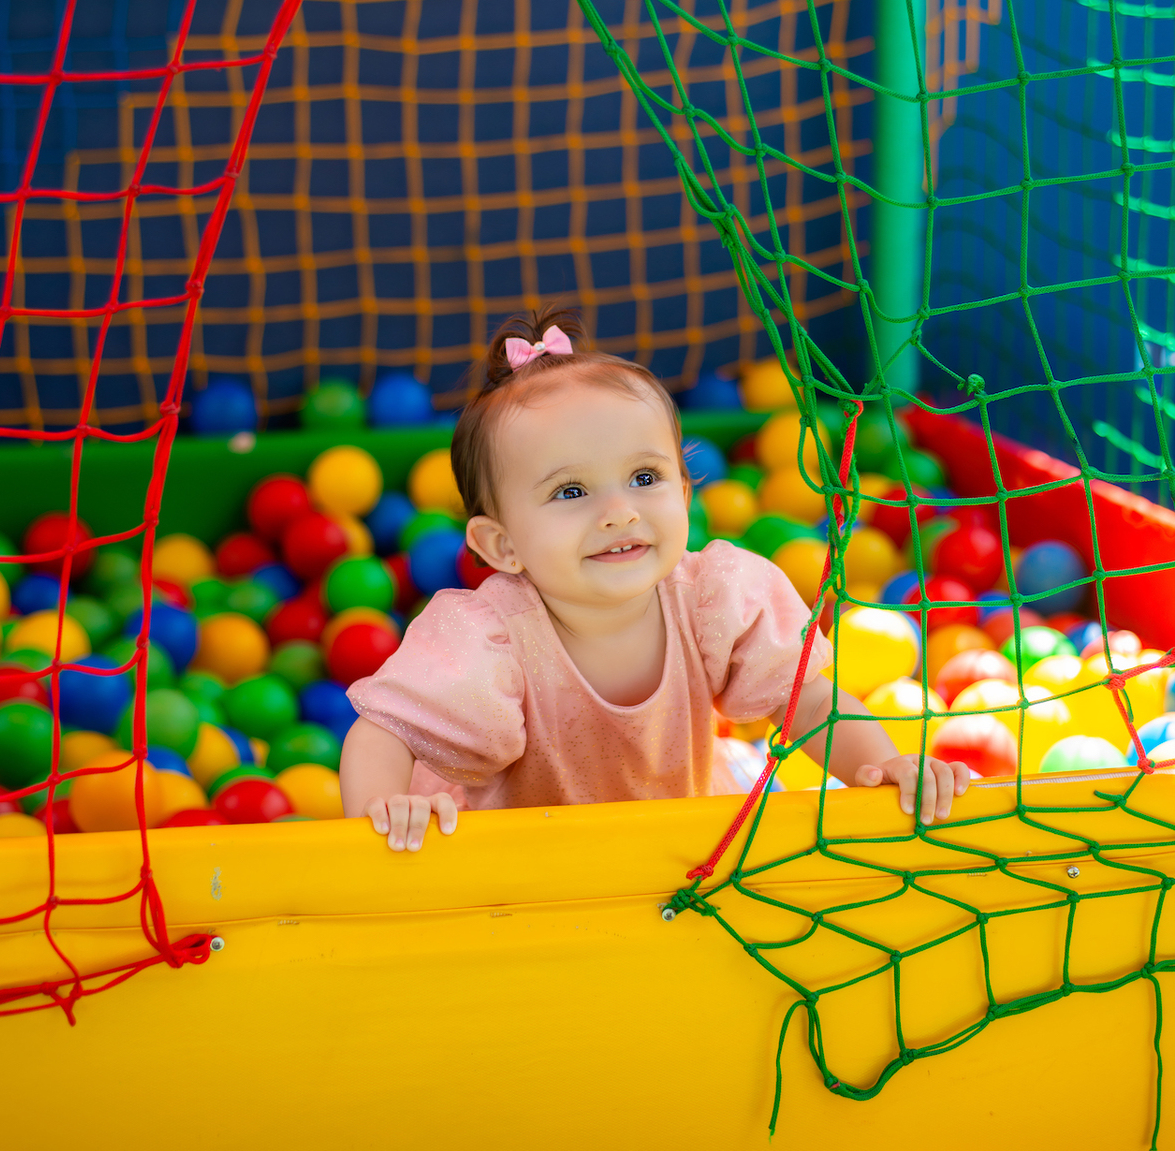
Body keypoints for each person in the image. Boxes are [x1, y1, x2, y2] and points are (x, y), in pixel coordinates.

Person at [339, 307, 969, 850]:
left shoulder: (711, 600)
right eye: (572, 490)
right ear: (502, 546)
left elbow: (808, 700)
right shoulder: (489, 640)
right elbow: (383, 732)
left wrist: (882, 761)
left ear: (686, 491)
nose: (620, 512)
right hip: (522, 873)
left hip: (672, 850)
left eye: (644, 478)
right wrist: (381, 811)